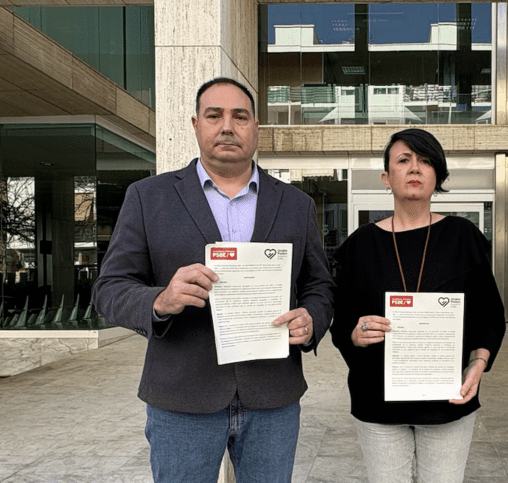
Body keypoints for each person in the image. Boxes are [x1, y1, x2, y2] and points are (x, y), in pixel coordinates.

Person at [91, 77, 335, 482]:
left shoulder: (296, 203)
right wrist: (161, 300)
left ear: (255, 126)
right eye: (214, 115)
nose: (227, 126)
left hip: (272, 396)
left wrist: (312, 319)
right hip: (182, 398)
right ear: (195, 124)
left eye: (240, 116)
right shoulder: (148, 197)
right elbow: (109, 289)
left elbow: (319, 285)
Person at [330, 128, 506, 483]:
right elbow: (342, 319)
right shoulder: (361, 245)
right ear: (386, 178)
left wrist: (478, 363)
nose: (415, 168)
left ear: (437, 176)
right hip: (377, 399)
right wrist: (355, 333)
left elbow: (489, 313)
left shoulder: (462, 236)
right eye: (404, 160)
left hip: (448, 398)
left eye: (425, 161)